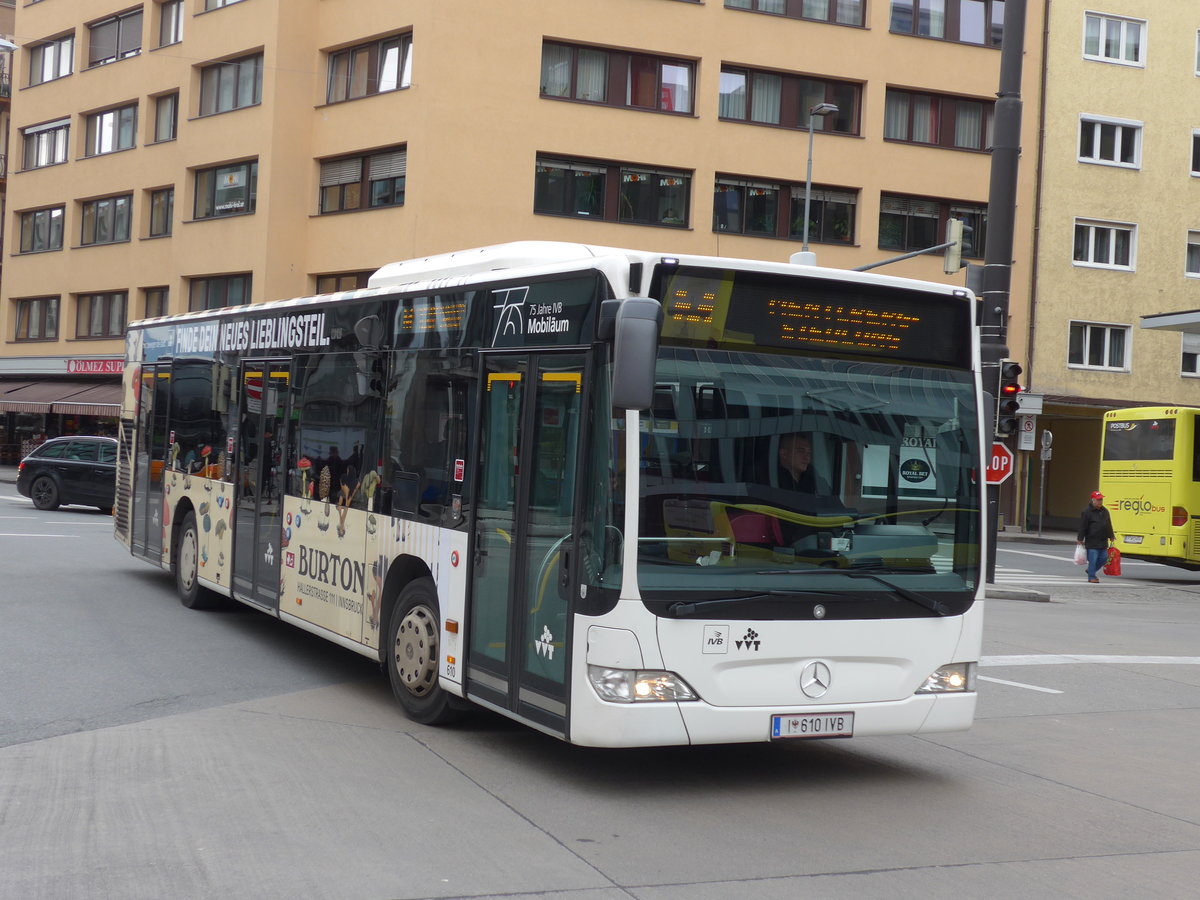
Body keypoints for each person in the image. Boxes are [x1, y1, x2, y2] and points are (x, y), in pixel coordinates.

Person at [1077, 490, 1114, 583]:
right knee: (1093, 560)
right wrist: (1080, 539)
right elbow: (1083, 526)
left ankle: (1090, 570)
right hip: (1092, 540)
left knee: (1104, 558)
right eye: (1098, 500)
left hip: (1103, 540)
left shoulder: (1105, 511)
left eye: (1101, 499)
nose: (1100, 501)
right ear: (1093, 500)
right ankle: (1092, 577)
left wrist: (1111, 535)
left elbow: (1108, 524)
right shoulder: (1087, 512)